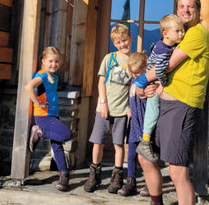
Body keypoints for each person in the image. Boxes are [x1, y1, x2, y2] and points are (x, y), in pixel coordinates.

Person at [133, 0, 209, 205]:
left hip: (181, 106)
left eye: (190, 6)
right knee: (145, 156)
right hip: (164, 104)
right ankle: (156, 201)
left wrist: (139, 82)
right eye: (181, 7)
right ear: (176, 11)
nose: (186, 10)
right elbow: (166, 74)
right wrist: (150, 88)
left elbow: (166, 66)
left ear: (198, 10)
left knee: (177, 170)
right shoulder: (179, 35)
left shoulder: (196, 33)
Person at [83, 23, 132, 194]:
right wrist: (103, 102)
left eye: (124, 40)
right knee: (98, 141)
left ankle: (117, 175)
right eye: (119, 42)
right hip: (104, 108)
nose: (122, 45)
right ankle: (94, 174)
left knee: (119, 144)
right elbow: (101, 81)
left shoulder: (133, 62)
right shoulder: (109, 58)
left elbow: (134, 87)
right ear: (114, 44)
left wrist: (130, 107)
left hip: (122, 111)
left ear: (130, 39)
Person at [136, 14, 185, 163]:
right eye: (177, 31)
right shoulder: (164, 50)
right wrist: (163, 84)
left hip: (150, 81)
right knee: (153, 110)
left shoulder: (166, 45)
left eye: (182, 30)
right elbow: (159, 70)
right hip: (152, 82)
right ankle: (145, 141)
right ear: (165, 34)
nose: (181, 34)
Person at [25, 46, 73, 191]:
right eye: (51, 61)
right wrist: (37, 103)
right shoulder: (43, 75)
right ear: (43, 61)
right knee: (67, 134)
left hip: (53, 113)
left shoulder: (54, 77)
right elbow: (29, 87)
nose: (54, 64)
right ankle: (39, 132)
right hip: (43, 116)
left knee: (57, 146)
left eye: (57, 61)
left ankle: (64, 176)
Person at [118, 51, 150, 197]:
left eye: (138, 72)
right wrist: (129, 108)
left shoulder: (149, 82)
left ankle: (151, 183)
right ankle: (131, 182)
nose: (136, 75)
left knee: (147, 156)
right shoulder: (133, 80)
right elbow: (131, 97)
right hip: (134, 123)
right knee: (130, 156)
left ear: (145, 68)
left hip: (145, 124)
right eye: (133, 73)